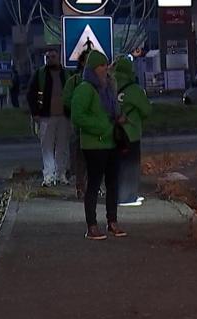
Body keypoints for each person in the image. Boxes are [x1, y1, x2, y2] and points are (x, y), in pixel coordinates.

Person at [71, 50, 126, 240]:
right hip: (94, 144)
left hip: (111, 142)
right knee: (94, 184)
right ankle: (91, 225)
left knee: (112, 184)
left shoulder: (109, 87)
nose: (106, 69)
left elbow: (113, 110)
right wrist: (103, 127)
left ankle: (112, 221)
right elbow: (78, 116)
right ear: (94, 68)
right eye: (102, 66)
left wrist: (118, 119)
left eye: (106, 65)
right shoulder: (85, 88)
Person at [27, 47, 71, 187]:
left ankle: (60, 174)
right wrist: (35, 113)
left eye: (53, 57)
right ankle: (49, 175)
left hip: (63, 116)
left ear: (58, 58)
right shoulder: (40, 74)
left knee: (62, 146)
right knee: (46, 147)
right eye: (48, 57)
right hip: (46, 116)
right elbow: (31, 94)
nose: (50, 59)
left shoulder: (66, 74)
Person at [112, 56, 152, 207]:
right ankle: (127, 197)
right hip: (130, 131)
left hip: (112, 131)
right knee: (131, 164)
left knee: (116, 165)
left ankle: (117, 195)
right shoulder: (133, 89)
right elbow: (147, 109)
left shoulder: (109, 85)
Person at [64, 50, 90, 198]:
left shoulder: (102, 80)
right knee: (80, 158)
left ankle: (93, 186)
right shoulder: (74, 81)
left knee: (96, 160)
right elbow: (67, 99)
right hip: (80, 127)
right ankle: (80, 186)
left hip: (97, 128)